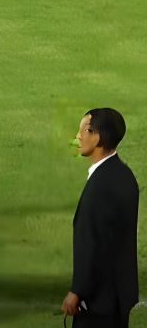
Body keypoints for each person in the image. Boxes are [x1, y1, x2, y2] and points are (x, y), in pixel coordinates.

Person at [62, 108, 139, 328]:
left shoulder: (100, 187)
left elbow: (95, 244)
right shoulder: (124, 175)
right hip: (118, 298)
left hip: (98, 304)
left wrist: (77, 291)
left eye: (84, 130)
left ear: (96, 137)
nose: (78, 136)